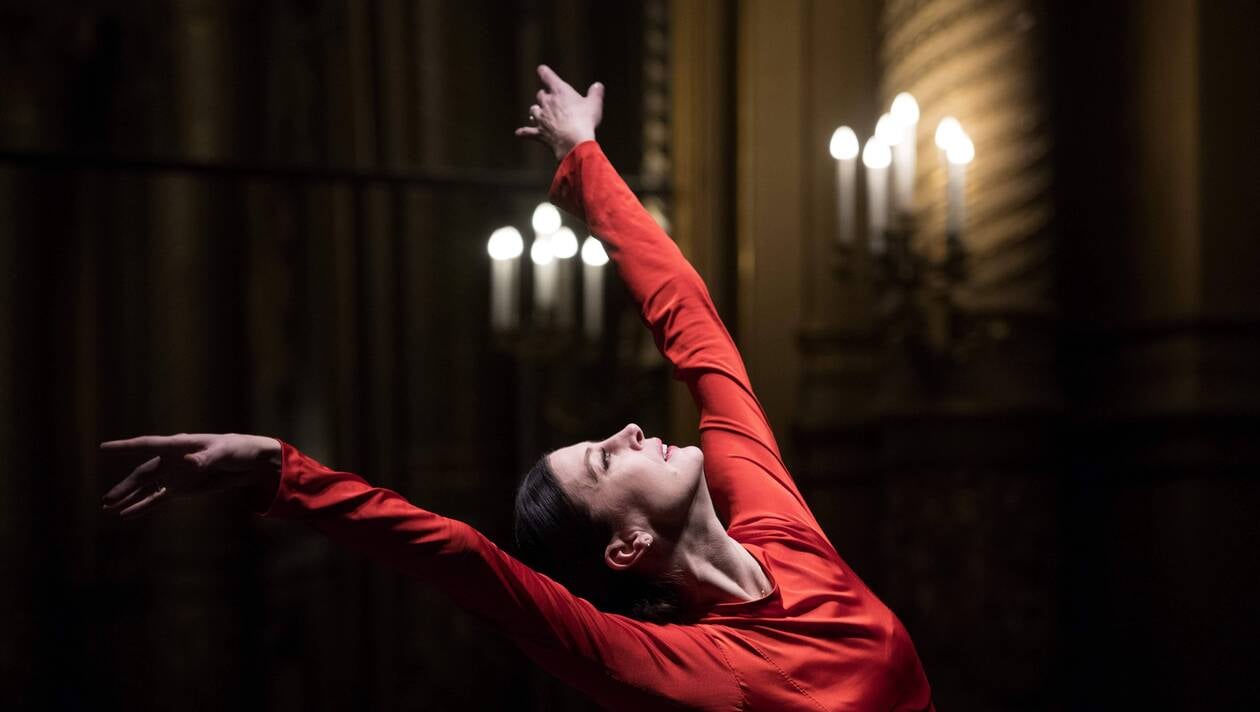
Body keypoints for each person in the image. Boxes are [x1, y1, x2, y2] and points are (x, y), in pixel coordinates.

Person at [100, 65, 935, 711]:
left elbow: (693, 325)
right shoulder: (677, 671)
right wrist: (286, 474)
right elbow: (471, 564)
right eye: (604, 466)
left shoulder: (780, 531)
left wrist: (584, 160)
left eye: (601, 445)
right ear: (626, 548)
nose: (627, 433)